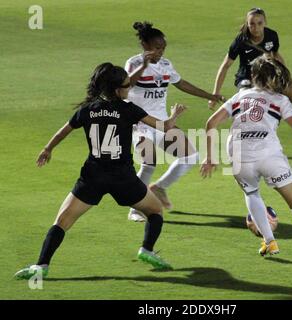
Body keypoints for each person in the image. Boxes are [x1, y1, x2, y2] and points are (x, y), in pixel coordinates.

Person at [14, 62, 187, 280]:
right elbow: (163, 127)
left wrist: (48, 149)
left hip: (92, 176)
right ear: (117, 90)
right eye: (127, 85)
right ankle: (147, 249)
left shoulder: (88, 109)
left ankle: (41, 266)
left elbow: (63, 132)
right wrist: (173, 117)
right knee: (155, 211)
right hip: (123, 178)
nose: (129, 89)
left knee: (61, 222)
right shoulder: (128, 109)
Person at [201, 55, 292, 268]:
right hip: (268, 155)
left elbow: (211, 123)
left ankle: (270, 242)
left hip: (238, 155)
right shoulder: (280, 100)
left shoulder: (240, 96)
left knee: (251, 193)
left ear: (253, 76)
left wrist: (209, 156)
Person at [125, 21, 225, 222]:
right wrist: (144, 65)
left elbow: (181, 83)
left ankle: (159, 187)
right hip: (140, 123)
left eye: (163, 47)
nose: (161, 51)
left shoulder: (165, 65)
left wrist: (210, 95)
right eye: (157, 47)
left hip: (163, 122)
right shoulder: (134, 63)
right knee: (149, 163)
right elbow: (125, 85)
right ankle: (135, 209)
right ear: (145, 45)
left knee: (191, 157)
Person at [209, 7, 292, 146]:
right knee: (249, 105)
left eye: (259, 23)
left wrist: (289, 78)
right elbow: (225, 65)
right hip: (248, 78)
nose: (255, 27)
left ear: (265, 22)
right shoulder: (240, 41)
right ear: (247, 24)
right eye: (252, 24)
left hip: (269, 76)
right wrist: (215, 93)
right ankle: (243, 143)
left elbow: (276, 55)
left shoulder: (272, 36)